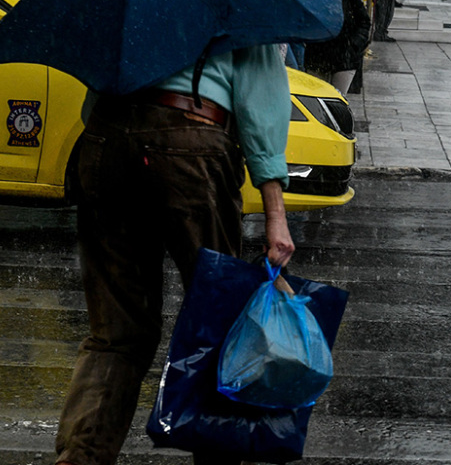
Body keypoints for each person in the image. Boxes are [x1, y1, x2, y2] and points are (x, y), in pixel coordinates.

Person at [55, 45, 295, 465]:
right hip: (191, 139)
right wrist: (275, 212)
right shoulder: (240, 2)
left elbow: (96, 84)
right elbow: (260, 93)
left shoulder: (130, 0)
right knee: (220, 325)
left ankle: (81, 457)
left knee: (117, 332)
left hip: (107, 134)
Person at [305, 0, 373, 95]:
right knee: (317, 99)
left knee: (338, 99)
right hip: (317, 56)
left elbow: (364, 22)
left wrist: (354, 45)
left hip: (344, 57)